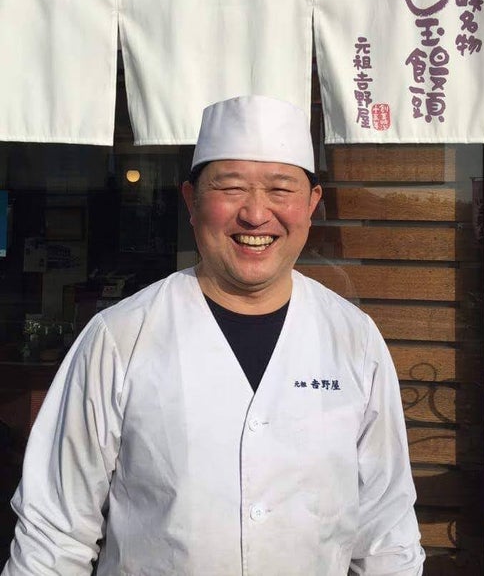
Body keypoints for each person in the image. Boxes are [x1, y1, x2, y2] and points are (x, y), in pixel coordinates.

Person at [2, 95, 425, 575]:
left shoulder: (354, 338)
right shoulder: (120, 336)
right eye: (231, 187)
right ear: (191, 200)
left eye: (280, 190)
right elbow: (54, 533)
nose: (256, 214)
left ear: (311, 204)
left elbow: (386, 529)